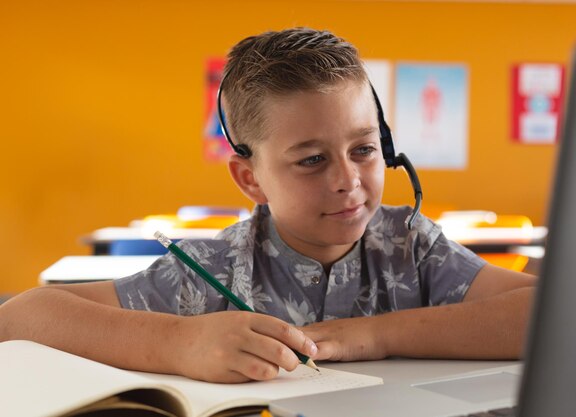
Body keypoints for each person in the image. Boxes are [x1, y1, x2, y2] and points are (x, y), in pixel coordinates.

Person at [0, 27, 536, 383]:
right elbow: (19, 318)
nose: (347, 180)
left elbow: (553, 312)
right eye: (311, 160)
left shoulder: (413, 248)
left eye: (364, 149)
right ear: (250, 178)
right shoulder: (211, 270)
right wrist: (179, 343)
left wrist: (372, 335)